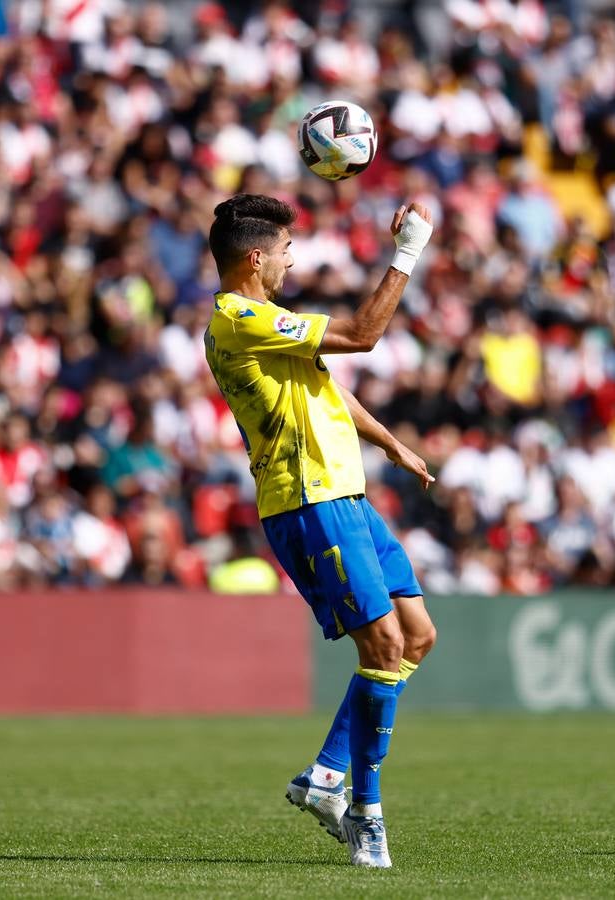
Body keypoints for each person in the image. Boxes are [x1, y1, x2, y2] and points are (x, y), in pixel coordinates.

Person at [203, 193, 436, 868]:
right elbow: (364, 336)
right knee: (385, 642)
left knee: (416, 634)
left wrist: (392, 445)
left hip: (347, 494)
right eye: (282, 249)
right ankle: (364, 810)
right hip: (306, 499)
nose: (289, 258)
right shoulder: (237, 317)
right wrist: (408, 252)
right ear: (254, 258)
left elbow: (327, 389)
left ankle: (326, 774)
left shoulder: (269, 319)